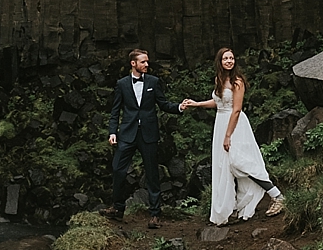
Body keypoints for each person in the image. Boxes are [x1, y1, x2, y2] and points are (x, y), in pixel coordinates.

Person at [182, 47, 285, 226]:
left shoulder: (237, 81)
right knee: (225, 167)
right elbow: (218, 102)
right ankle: (231, 208)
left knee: (241, 162)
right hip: (221, 122)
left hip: (235, 125)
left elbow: (236, 109)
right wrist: (197, 104)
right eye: (225, 58)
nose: (229, 61)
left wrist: (228, 135)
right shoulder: (219, 79)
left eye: (231, 58)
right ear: (220, 62)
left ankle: (277, 195)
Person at [99, 49, 187, 229]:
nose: (147, 64)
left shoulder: (154, 82)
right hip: (127, 133)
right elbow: (115, 110)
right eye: (143, 62)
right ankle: (117, 208)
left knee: (152, 173)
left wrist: (179, 107)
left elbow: (163, 104)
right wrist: (112, 132)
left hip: (148, 133)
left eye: (147, 62)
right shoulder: (122, 84)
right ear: (133, 63)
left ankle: (155, 214)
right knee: (118, 169)